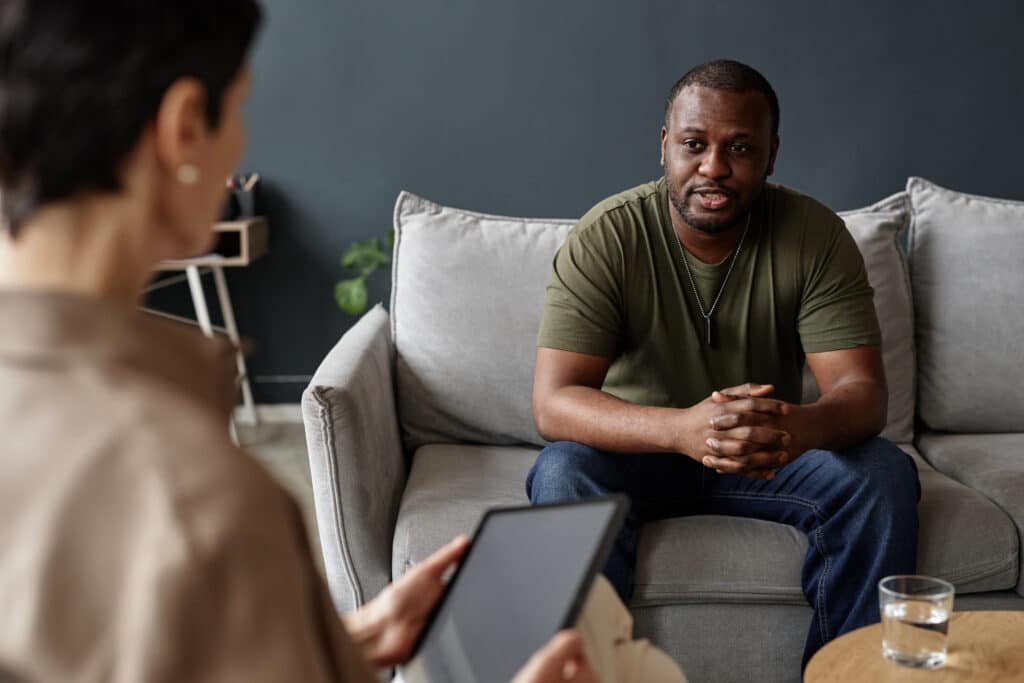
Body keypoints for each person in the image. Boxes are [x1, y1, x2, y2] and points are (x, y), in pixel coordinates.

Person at [0, 1, 689, 681]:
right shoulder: (190, 492)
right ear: (183, 127)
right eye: (239, 108)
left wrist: (350, 645)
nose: (239, 146)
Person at [527, 59, 921, 669]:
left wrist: (792, 426)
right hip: (640, 451)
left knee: (881, 474)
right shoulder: (608, 236)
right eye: (693, 144)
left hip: (768, 453)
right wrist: (681, 430)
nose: (713, 166)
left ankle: (849, 677)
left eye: (739, 147)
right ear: (664, 147)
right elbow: (553, 402)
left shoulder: (813, 235)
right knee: (561, 473)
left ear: (771, 153)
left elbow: (861, 392)